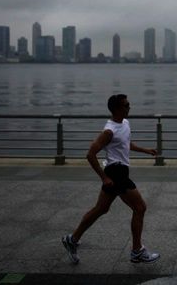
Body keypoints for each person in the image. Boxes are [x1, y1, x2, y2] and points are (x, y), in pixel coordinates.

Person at [62, 94, 160, 264]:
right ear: (116, 109)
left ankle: (72, 239)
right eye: (126, 105)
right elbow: (90, 154)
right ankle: (137, 251)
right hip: (116, 173)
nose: (129, 107)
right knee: (140, 208)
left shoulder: (125, 123)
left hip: (120, 171)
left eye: (129, 104)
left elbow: (126, 144)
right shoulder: (109, 131)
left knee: (101, 209)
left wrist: (146, 150)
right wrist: (104, 177)